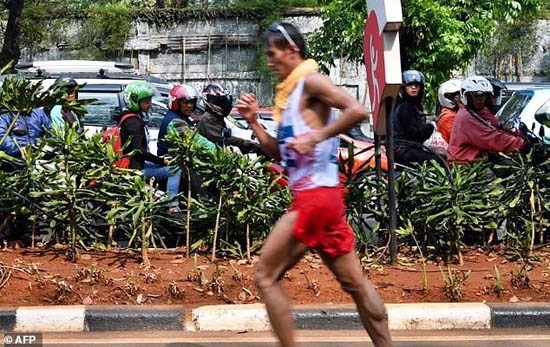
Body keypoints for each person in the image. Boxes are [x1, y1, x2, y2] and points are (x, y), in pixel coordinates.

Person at [236, 22, 392, 347]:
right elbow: (280, 153)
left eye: (272, 54)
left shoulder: (311, 81)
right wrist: (253, 123)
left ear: (292, 51)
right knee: (357, 285)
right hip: (326, 201)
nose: (269, 62)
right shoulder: (292, 95)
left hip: (314, 199)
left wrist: (317, 137)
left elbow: (357, 109)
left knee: (265, 276)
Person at [119, 81, 182, 210]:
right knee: (174, 170)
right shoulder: (133, 122)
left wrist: (161, 160)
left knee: (171, 164)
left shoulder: (130, 117)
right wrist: (160, 160)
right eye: (146, 101)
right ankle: (172, 205)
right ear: (135, 101)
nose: (150, 104)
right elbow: (138, 150)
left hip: (137, 164)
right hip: (134, 169)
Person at [447, 76, 524, 164]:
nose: (481, 100)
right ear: (467, 97)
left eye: (484, 96)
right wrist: (521, 144)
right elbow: (493, 138)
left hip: (477, 159)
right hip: (464, 165)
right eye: (477, 96)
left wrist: (516, 133)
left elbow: (497, 127)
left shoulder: (479, 111)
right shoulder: (466, 116)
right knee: (505, 174)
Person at [392, 70, 446, 168]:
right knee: (440, 159)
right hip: (404, 149)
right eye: (410, 85)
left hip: (410, 148)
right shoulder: (405, 107)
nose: (413, 87)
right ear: (403, 88)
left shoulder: (414, 106)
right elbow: (414, 135)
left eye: (416, 85)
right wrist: (431, 126)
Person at [198, 83, 260, 154]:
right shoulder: (208, 119)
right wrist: (250, 145)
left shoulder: (218, 118)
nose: (225, 105)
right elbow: (222, 141)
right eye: (221, 102)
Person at [157, 83, 215, 156]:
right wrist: (219, 151)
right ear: (176, 103)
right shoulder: (175, 122)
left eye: (192, 102)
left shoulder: (180, 117)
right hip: (169, 164)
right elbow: (197, 141)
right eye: (186, 102)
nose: (190, 106)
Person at [436, 78, 462, 143]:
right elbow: (458, 139)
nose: (460, 97)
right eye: (456, 94)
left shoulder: (453, 113)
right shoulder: (448, 117)